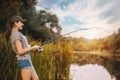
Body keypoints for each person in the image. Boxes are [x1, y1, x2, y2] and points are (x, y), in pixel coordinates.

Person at [6, 15, 40, 80]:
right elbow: (20, 51)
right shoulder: (16, 35)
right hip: (24, 61)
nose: (23, 24)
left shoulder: (18, 33)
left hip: (27, 60)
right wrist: (32, 48)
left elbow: (24, 48)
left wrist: (34, 49)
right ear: (16, 23)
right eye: (21, 22)